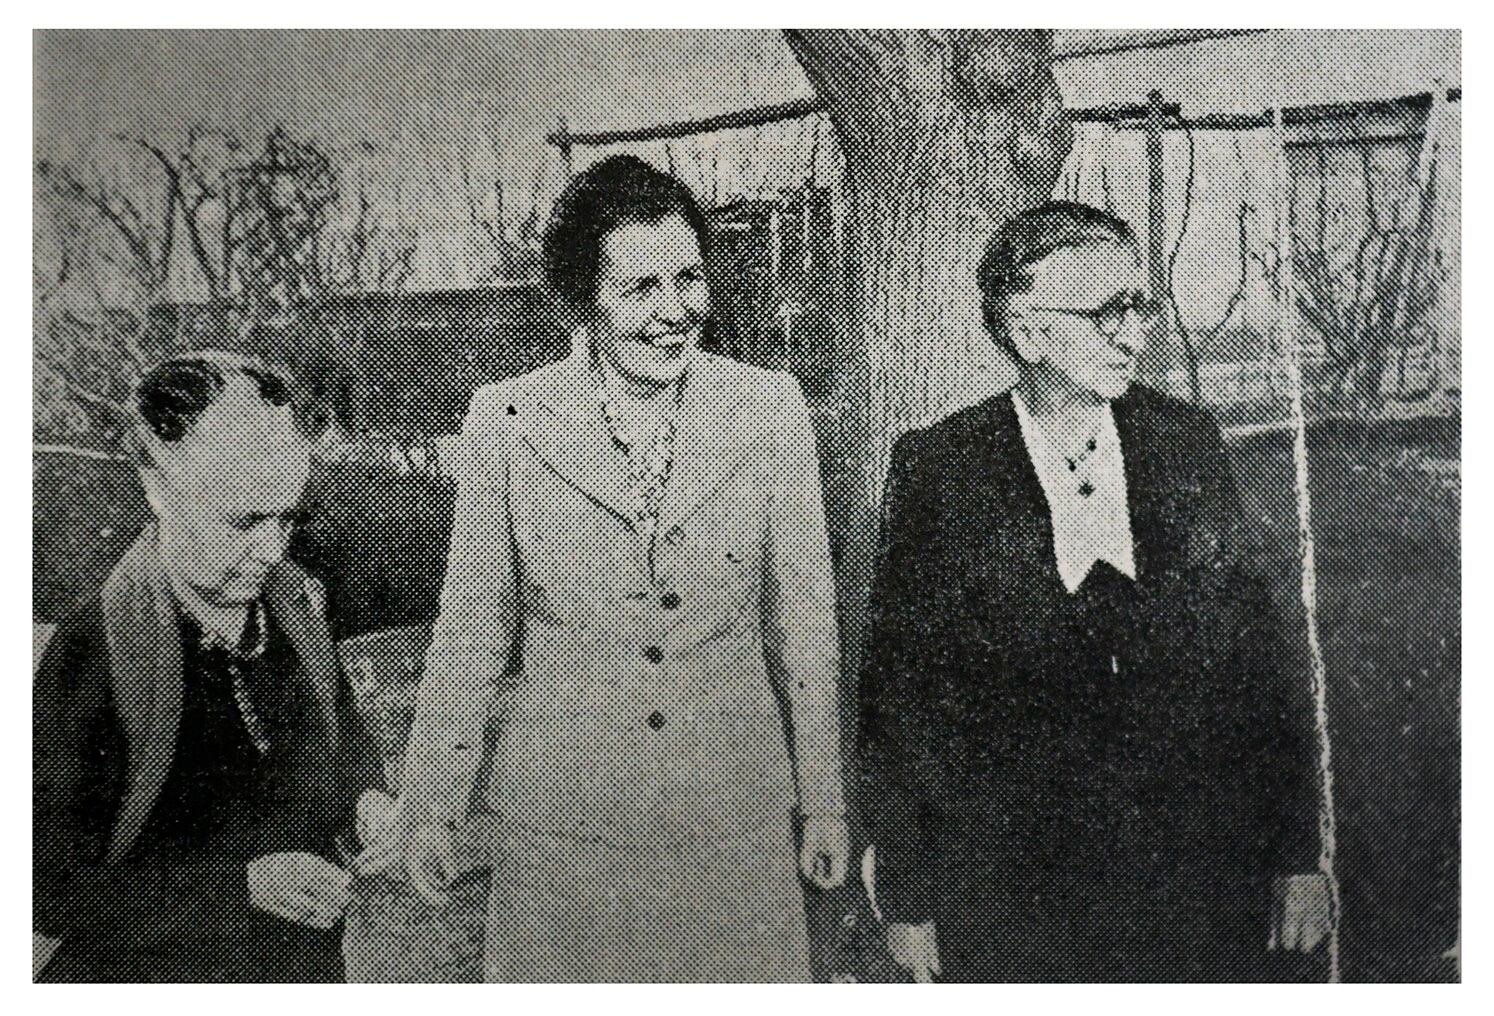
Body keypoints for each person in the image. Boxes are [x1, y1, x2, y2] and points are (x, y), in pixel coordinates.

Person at [360, 154, 849, 981]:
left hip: (732, 814)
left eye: (688, 279)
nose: (674, 312)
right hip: (566, 829)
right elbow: (472, 632)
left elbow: (804, 627)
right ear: (585, 299)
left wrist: (823, 800)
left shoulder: (769, 409)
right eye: (640, 289)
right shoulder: (507, 418)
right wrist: (430, 806)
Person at [859, 201, 1332, 982]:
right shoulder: (941, 470)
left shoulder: (1183, 444)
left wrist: (1295, 853)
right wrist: (908, 903)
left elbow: (1259, 662)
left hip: (1191, 880)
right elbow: (900, 700)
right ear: (1025, 331)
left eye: (1136, 306)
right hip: (1014, 897)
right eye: (1102, 312)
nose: (1129, 332)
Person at [34, 352, 381, 982]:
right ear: (158, 487)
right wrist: (235, 886)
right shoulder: (98, 651)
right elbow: (42, 883)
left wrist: (368, 802)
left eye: (288, 517)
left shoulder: (294, 607)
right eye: (244, 521)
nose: (272, 550)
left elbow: (343, 740)